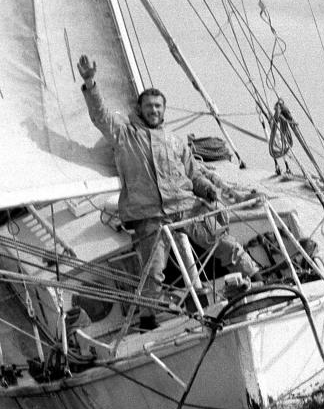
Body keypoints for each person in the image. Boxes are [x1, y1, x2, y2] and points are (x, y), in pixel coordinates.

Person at [77, 55, 261, 330]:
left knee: (223, 242)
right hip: (149, 213)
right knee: (153, 270)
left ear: (164, 111)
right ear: (139, 108)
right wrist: (90, 83)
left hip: (184, 205)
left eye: (158, 106)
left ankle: (257, 278)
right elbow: (100, 116)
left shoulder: (175, 141)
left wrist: (207, 188)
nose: (153, 110)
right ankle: (148, 317)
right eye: (149, 106)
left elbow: (193, 173)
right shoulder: (124, 135)